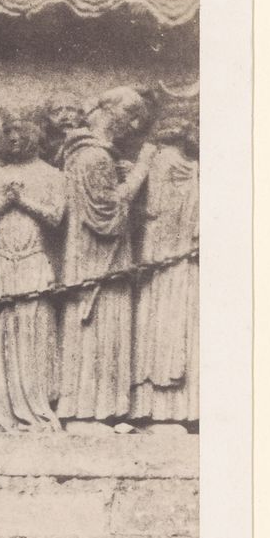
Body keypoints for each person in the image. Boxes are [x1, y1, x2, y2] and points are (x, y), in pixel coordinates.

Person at [57, 85, 157, 432]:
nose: (133, 127)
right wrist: (142, 168)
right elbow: (108, 214)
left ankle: (103, 412)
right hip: (98, 261)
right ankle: (85, 414)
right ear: (109, 112)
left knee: (105, 331)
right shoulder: (94, 156)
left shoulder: (90, 155)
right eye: (131, 117)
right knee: (98, 330)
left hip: (97, 259)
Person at [0, 110, 67, 431]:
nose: (14, 137)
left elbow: (57, 216)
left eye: (21, 131)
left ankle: (36, 407)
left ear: (36, 135)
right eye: (9, 132)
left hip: (33, 261)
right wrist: (5, 202)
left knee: (33, 334)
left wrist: (23, 201)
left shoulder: (52, 175)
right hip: (2, 262)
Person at [130, 106, 199, 432]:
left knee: (167, 325)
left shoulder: (173, 162)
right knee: (170, 325)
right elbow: (157, 206)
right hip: (171, 253)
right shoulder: (171, 162)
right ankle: (165, 410)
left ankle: (164, 409)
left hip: (172, 251)